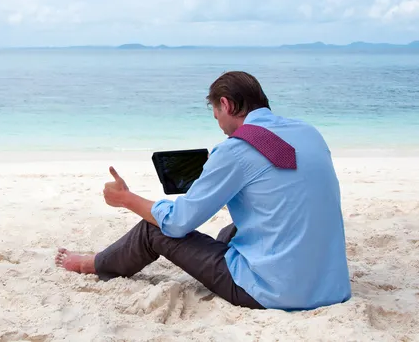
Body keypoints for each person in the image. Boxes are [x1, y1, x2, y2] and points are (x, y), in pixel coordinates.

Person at [55, 71, 352, 311]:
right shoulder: (309, 132)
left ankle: (93, 264)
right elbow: (275, 183)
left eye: (216, 114)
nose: (219, 124)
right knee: (235, 230)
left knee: (154, 230)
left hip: (275, 293)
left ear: (226, 104)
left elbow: (178, 222)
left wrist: (127, 199)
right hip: (331, 288)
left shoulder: (236, 150)